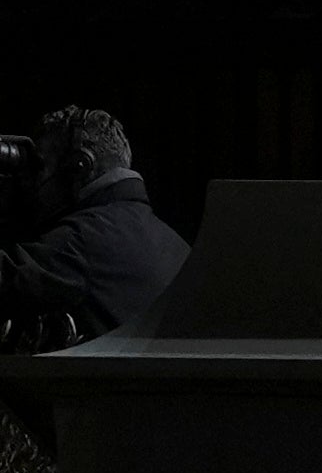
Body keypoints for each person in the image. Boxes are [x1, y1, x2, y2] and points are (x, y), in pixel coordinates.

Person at [2, 108, 188, 353]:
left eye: (39, 167)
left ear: (79, 166)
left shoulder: (84, 241)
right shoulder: (176, 244)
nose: (28, 182)